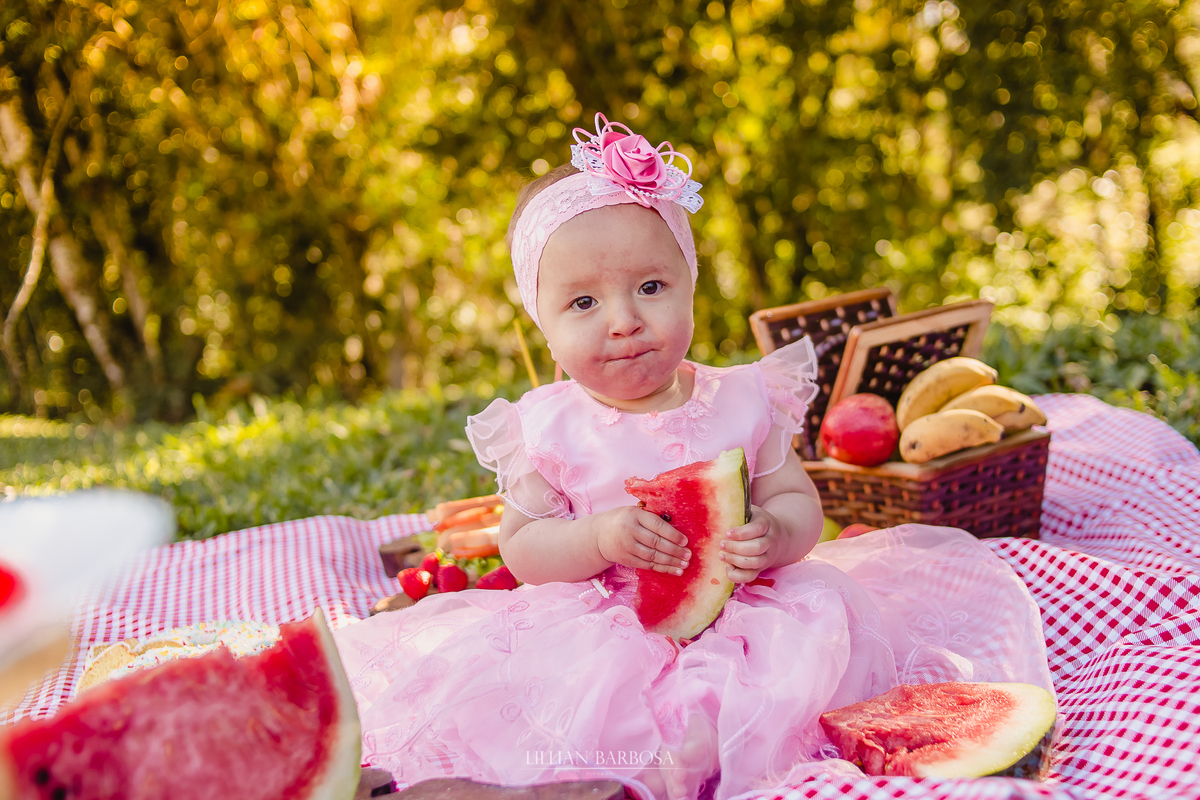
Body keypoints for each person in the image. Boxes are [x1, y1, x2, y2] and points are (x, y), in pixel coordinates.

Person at [333, 115, 1053, 800]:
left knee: (810, 644)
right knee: (560, 699)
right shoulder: (544, 426)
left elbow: (799, 502)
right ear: (541, 321)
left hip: (756, 611)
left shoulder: (745, 398)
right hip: (601, 623)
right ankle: (647, 763)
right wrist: (595, 537)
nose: (623, 321)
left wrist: (777, 535)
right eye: (583, 303)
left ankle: (718, 746)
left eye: (651, 287)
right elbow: (521, 550)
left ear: (689, 287)